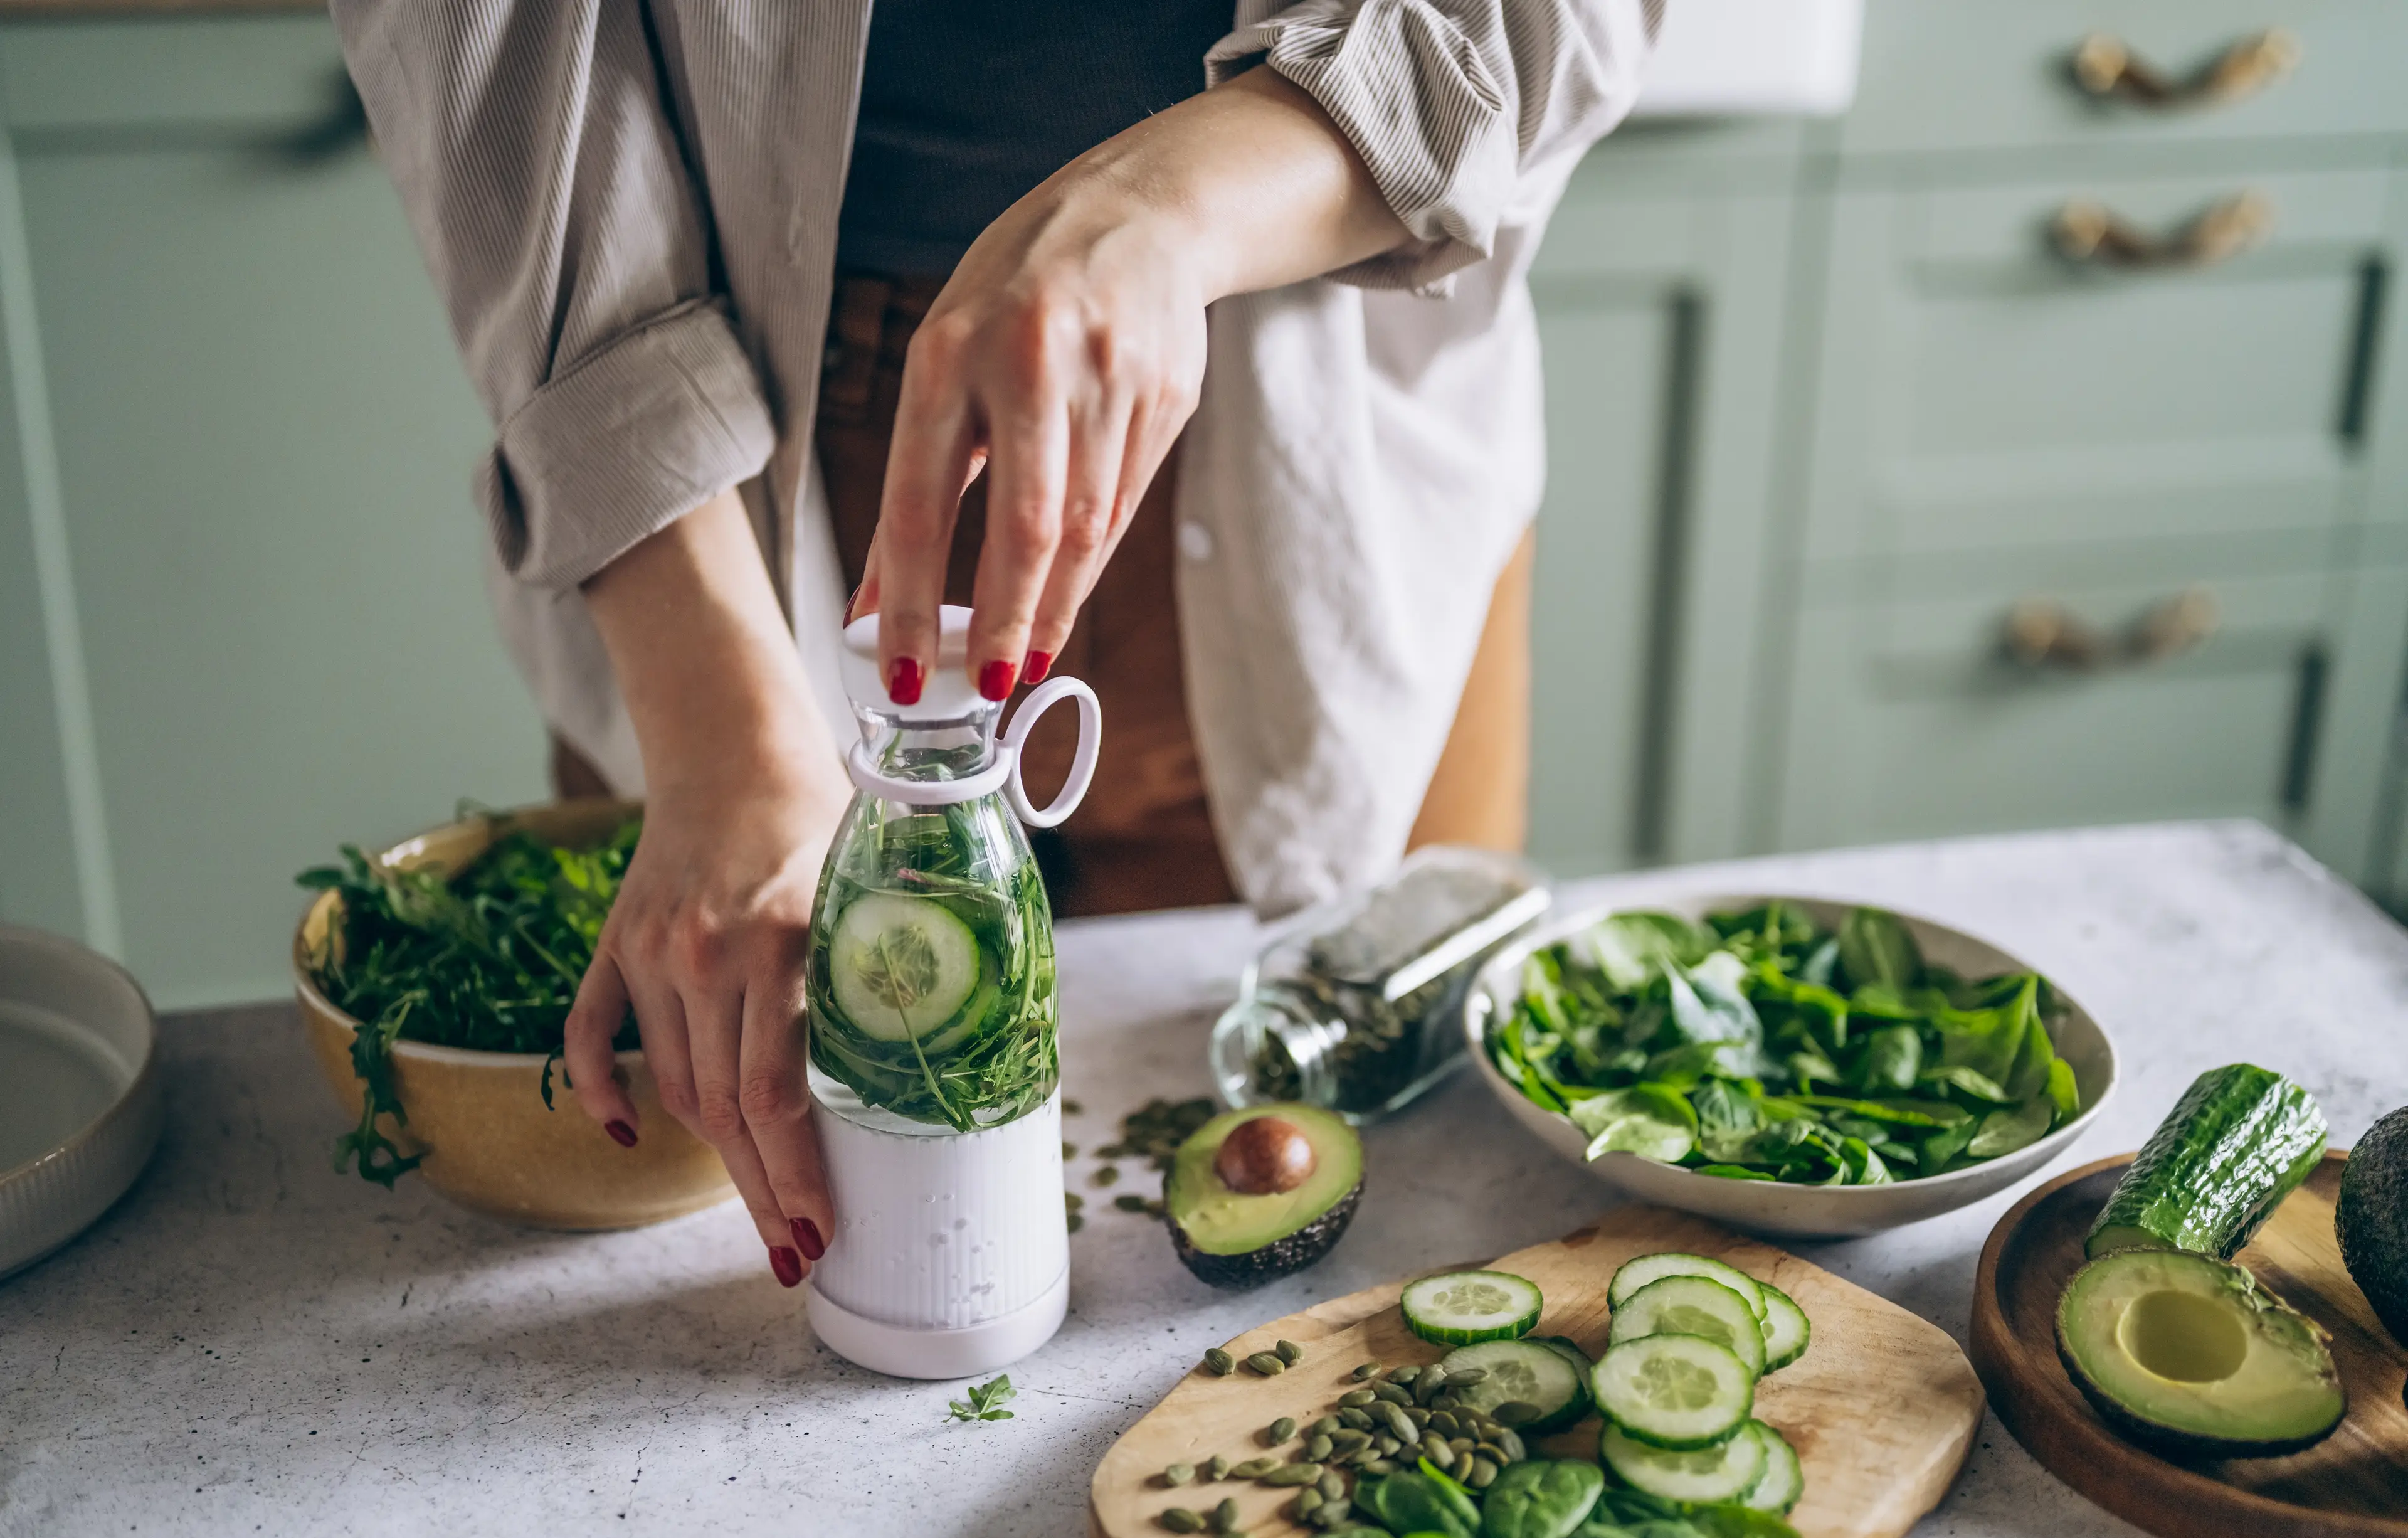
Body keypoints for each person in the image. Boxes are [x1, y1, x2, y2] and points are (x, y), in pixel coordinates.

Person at [333, 1, 1659, 1288]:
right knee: (735, 1128)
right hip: (729, 474)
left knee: (1398, 1145)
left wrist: (1168, 205)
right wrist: (720, 735)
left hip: (1321, 436)